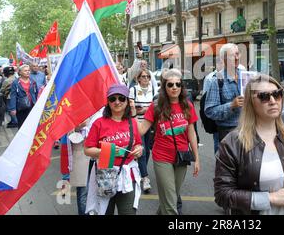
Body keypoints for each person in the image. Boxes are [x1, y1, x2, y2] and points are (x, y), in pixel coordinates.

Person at [214, 74, 284, 215]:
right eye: (264, 96)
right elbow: (222, 195)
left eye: (277, 94)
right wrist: (269, 198)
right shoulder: (232, 143)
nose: (273, 101)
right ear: (251, 103)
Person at [138, 68, 200, 215]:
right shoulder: (156, 106)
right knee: (171, 202)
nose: (174, 88)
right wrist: (125, 122)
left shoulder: (187, 106)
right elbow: (141, 130)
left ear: (181, 87)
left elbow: (191, 133)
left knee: (169, 199)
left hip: (182, 157)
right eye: (170, 85)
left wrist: (197, 158)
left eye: (178, 85)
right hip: (162, 157)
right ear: (164, 87)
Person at [84, 84, 143, 215]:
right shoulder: (99, 123)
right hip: (105, 174)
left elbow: (138, 144)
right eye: (113, 99)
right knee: (105, 212)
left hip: (127, 176)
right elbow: (87, 150)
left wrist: (139, 150)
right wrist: (105, 151)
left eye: (121, 98)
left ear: (127, 101)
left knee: (128, 212)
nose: (117, 102)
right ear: (108, 102)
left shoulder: (132, 122)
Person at [204, 43, 243, 142]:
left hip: (247, 128)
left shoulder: (246, 76)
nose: (236, 57)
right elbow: (210, 111)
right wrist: (232, 105)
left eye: (237, 54)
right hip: (227, 132)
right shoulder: (216, 80)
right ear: (223, 59)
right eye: (232, 55)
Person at [129, 70, 155, 193]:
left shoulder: (154, 89)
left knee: (148, 150)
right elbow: (131, 108)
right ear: (138, 78)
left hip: (151, 124)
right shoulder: (133, 90)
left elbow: (156, 106)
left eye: (148, 76)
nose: (146, 78)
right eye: (143, 76)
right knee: (142, 150)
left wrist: (145, 110)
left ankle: (140, 169)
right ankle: (145, 178)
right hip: (137, 124)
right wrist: (144, 110)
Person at [8, 64, 38, 129]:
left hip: (32, 106)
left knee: (32, 125)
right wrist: (13, 108)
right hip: (21, 107)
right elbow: (13, 96)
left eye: (28, 70)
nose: (28, 72)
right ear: (20, 72)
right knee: (22, 125)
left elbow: (36, 93)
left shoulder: (33, 82)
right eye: (25, 71)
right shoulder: (15, 83)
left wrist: (37, 104)